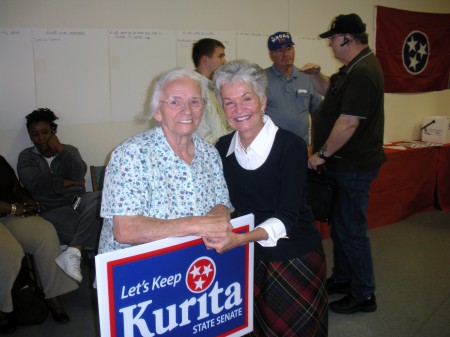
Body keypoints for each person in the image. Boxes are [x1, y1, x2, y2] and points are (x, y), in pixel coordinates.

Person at [208, 60, 328, 336]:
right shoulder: (223, 147)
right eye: (229, 102)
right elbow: (223, 202)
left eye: (246, 99)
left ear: (262, 101)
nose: (239, 110)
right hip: (248, 256)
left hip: (292, 256)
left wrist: (239, 238)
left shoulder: (290, 146)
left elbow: (287, 218)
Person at [301, 13, 386, 314]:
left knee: (351, 231)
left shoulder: (363, 73)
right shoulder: (351, 69)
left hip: (353, 166)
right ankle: (344, 279)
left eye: (333, 40)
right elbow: (331, 95)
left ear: (347, 39)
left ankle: (364, 294)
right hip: (344, 166)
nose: (331, 46)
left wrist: (320, 155)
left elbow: (348, 123)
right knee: (341, 228)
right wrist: (315, 77)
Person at [97, 67, 232, 254]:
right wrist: (197, 224)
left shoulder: (209, 153)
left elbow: (222, 203)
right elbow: (125, 230)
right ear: (157, 112)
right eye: (174, 101)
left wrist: (219, 215)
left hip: (192, 263)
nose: (187, 110)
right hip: (136, 273)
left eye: (194, 101)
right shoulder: (131, 154)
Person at [17, 108, 103, 284]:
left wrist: (60, 149)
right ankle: (101, 271)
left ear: (53, 132)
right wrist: (70, 182)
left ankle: (75, 251)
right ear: (30, 136)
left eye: (45, 132)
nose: (40, 138)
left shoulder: (69, 150)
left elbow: (79, 172)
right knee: (87, 226)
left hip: (79, 200)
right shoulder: (26, 157)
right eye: (34, 134)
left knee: (101, 198)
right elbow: (36, 185)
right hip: (52, 208)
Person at [0, 155, 79, 333]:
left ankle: (53, 296)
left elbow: (14, 186)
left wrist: (28, 201)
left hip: (9, 214)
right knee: (9, 252)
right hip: (8, 210)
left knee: (45, 233)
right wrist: (13, 208)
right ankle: (3, 309)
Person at [264, 31, 322, 144]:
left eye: (289, 48)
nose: (286, 54)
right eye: (280, 50)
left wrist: (314, 146)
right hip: (270, 147)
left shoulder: (307, 77)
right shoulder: (261, 79)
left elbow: (318, 116)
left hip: (301, 147)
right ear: (271, 55)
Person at [192, 38, 232, 143]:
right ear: (205, 59)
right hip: (211, 155)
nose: (224, 61)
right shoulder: (193, 89)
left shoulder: (215, 87)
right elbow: (202, 136)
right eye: (220, 56)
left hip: (223, 150)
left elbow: (227, 124)